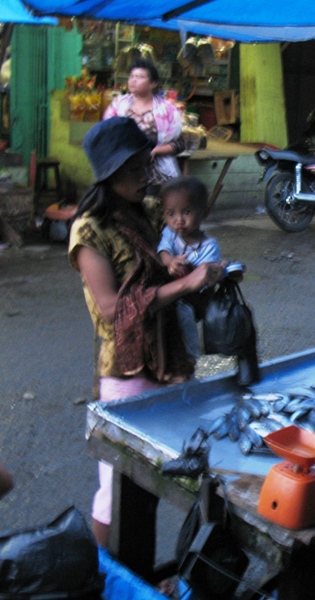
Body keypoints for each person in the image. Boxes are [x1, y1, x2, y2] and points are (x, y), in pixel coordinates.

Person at [69, 117, 226, 547]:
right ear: (110, 175)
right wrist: (182, 284)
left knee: (161, 479)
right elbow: (110, 308)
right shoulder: (89, 232)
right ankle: (106, 582)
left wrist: (207, 265)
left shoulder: (152, 211)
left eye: (146, 166)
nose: (147, 177)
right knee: (117, 490)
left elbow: (189, 229)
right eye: (136, 170)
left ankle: (141, 576)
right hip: (126, 369)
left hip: (171, 358)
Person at [158, 175, 222, 358]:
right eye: (171, 213)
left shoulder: (209, 246)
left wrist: (188, 271)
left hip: (190, 300)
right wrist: (170, 262)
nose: (178, 220)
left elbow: (205, 278)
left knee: (185, 321)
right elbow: (162, 251)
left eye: (186, 212)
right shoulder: (170, 234)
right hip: (169, 295)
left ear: (204, 212)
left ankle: (191, 358)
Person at [103, 57, 185, 196]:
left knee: (150, 209)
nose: (133, 80)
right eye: (132, 76)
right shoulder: (118, 105)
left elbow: (180, 143)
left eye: (140, 77)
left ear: (153, 83)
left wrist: (156, 151)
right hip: (123, 171)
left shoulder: (167, 110)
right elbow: (106, 134)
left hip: (156, 175)